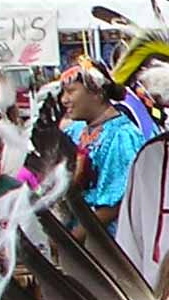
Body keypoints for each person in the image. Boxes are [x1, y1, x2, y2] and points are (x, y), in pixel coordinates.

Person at [60, 57, 144, 237]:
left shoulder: (123, 136)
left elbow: (114, 206)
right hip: (75, 233)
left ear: (97, 92)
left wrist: (73, 239)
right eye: (63, 93)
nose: (64, 99)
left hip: (110, 242)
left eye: (70, 91)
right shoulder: (73, 131)